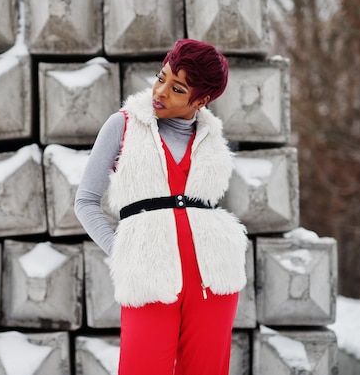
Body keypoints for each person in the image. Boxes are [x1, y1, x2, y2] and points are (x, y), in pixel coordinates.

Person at [74, 38, 248, 375]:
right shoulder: (123, 125)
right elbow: (85, 201)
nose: (160, 91)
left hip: (213, 277)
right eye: (161, 76)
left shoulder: (213, 140)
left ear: (203, 99)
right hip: (149, 274)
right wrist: (125, 254)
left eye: (178, 88)